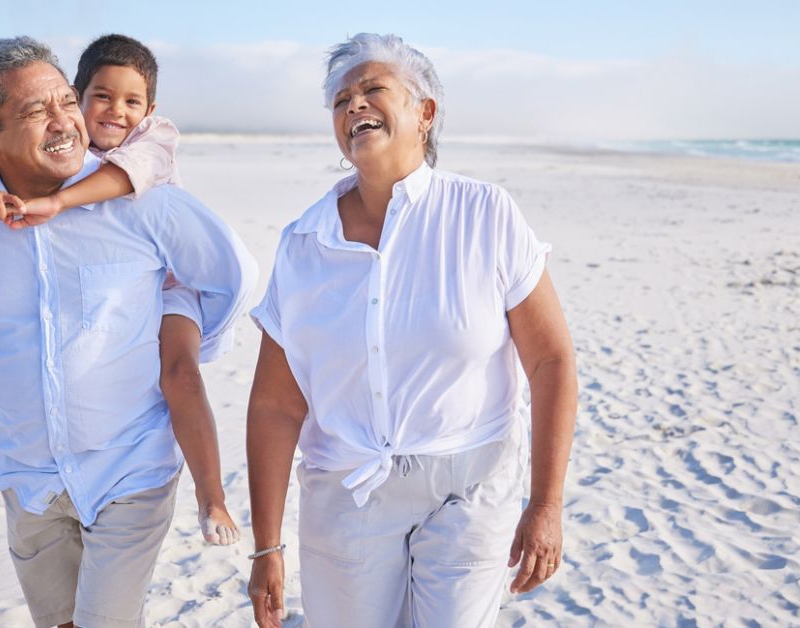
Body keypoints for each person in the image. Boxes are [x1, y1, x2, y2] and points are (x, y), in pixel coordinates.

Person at [0, 37, 257, 628]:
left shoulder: (144, 199)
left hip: (129, 464)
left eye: (66, 101)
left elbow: (233, 279)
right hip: (26, 472)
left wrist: (182, 331)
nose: (64, 121)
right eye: (35, 111)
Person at [245, 33, 577, 628]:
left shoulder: (485, 214)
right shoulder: (303, 244)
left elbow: (551, 361)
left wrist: (547, 505)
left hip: (468, 487)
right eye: (341, 100)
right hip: (347, 491)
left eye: (373, 89)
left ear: (425, 113)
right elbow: (274, 404)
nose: (354, 107)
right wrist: (266, 546)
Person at [0, 33, 240, 546]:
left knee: (179, 374)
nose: (116, 111)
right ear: (75, 96)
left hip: (170, 281)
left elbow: (122, 181)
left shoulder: (154, 139)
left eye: (132, 101)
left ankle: (211, 496)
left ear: (150, 109)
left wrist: (60, 203)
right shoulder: (60, 135)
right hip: (116, 285)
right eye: (101, 97)